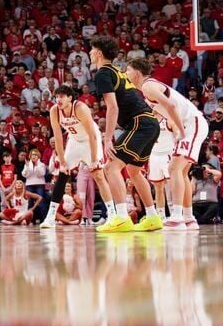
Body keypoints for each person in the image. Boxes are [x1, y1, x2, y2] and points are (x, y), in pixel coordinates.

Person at [126, 57, 209, 231]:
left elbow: (170, 106)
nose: (126, 74)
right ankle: (188, 218)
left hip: (190, 123)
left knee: (174, 169)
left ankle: (177, 217)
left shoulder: (148, 86)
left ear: (137, 72)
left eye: (128, 70)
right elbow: (162, 111)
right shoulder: (147, 89)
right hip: (191, 123)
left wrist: (180, 130)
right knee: (182, 171)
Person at [90, 37, 162, 233]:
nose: (89, 53)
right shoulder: (117, 71)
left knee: (111, 167)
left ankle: (121, 217)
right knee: (134, 171)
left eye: (92, 50)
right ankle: (153, 217)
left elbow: (112, 107)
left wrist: (107, 138)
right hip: (149, 122)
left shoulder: (102, 74)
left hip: (139, 122)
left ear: (98, 53)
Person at [41, 85, 113, 228]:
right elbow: (58, 137)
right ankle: (50, 216)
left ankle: (112, 214)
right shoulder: (54, 110)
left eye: (61, 96)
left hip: (90, 140)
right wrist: (62, 161)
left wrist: (93, 160)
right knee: (62, 173)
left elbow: (92, 135)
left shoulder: (80, 108)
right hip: (74, 140)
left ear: (70, 98)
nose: (58, 100)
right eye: (56, 97)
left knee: (98, 174)